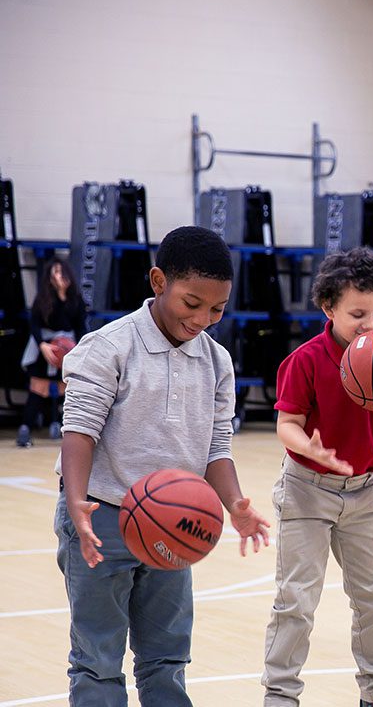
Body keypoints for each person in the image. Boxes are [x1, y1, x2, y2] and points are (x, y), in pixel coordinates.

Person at [56, 225, 271, 705]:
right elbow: (80, 430)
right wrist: (76, 503)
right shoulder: (109, 346)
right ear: (158, 282)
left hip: (176, 522)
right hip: (102, 517)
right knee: (97, 657)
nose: (203, 318)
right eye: (192, 303)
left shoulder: (216, 362)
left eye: (217, 309)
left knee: (167, 657)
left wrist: (235, 504)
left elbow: (216, 447)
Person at [261, 247, 373, 707]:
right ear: (329, 307)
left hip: (365, 493)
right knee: (296, 601)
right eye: (357, 314)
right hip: (306, 490)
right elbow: (286, 424)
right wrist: (304, 444)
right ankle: (280, 696)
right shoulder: (306, 360)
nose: (371, 323)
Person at [18, 257, 87, 447]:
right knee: (38, 388)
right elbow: (34, 324)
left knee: (68, 388)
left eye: (61, 271)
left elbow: (81, 327)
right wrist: (43, 345)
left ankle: (64, 428)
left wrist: (78, 348)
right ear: (49, 278)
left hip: (68, 348)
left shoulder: (76, 299)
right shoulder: (43, 298)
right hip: (46, 347)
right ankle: (25, 429)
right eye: (55, 272)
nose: (59, 276)